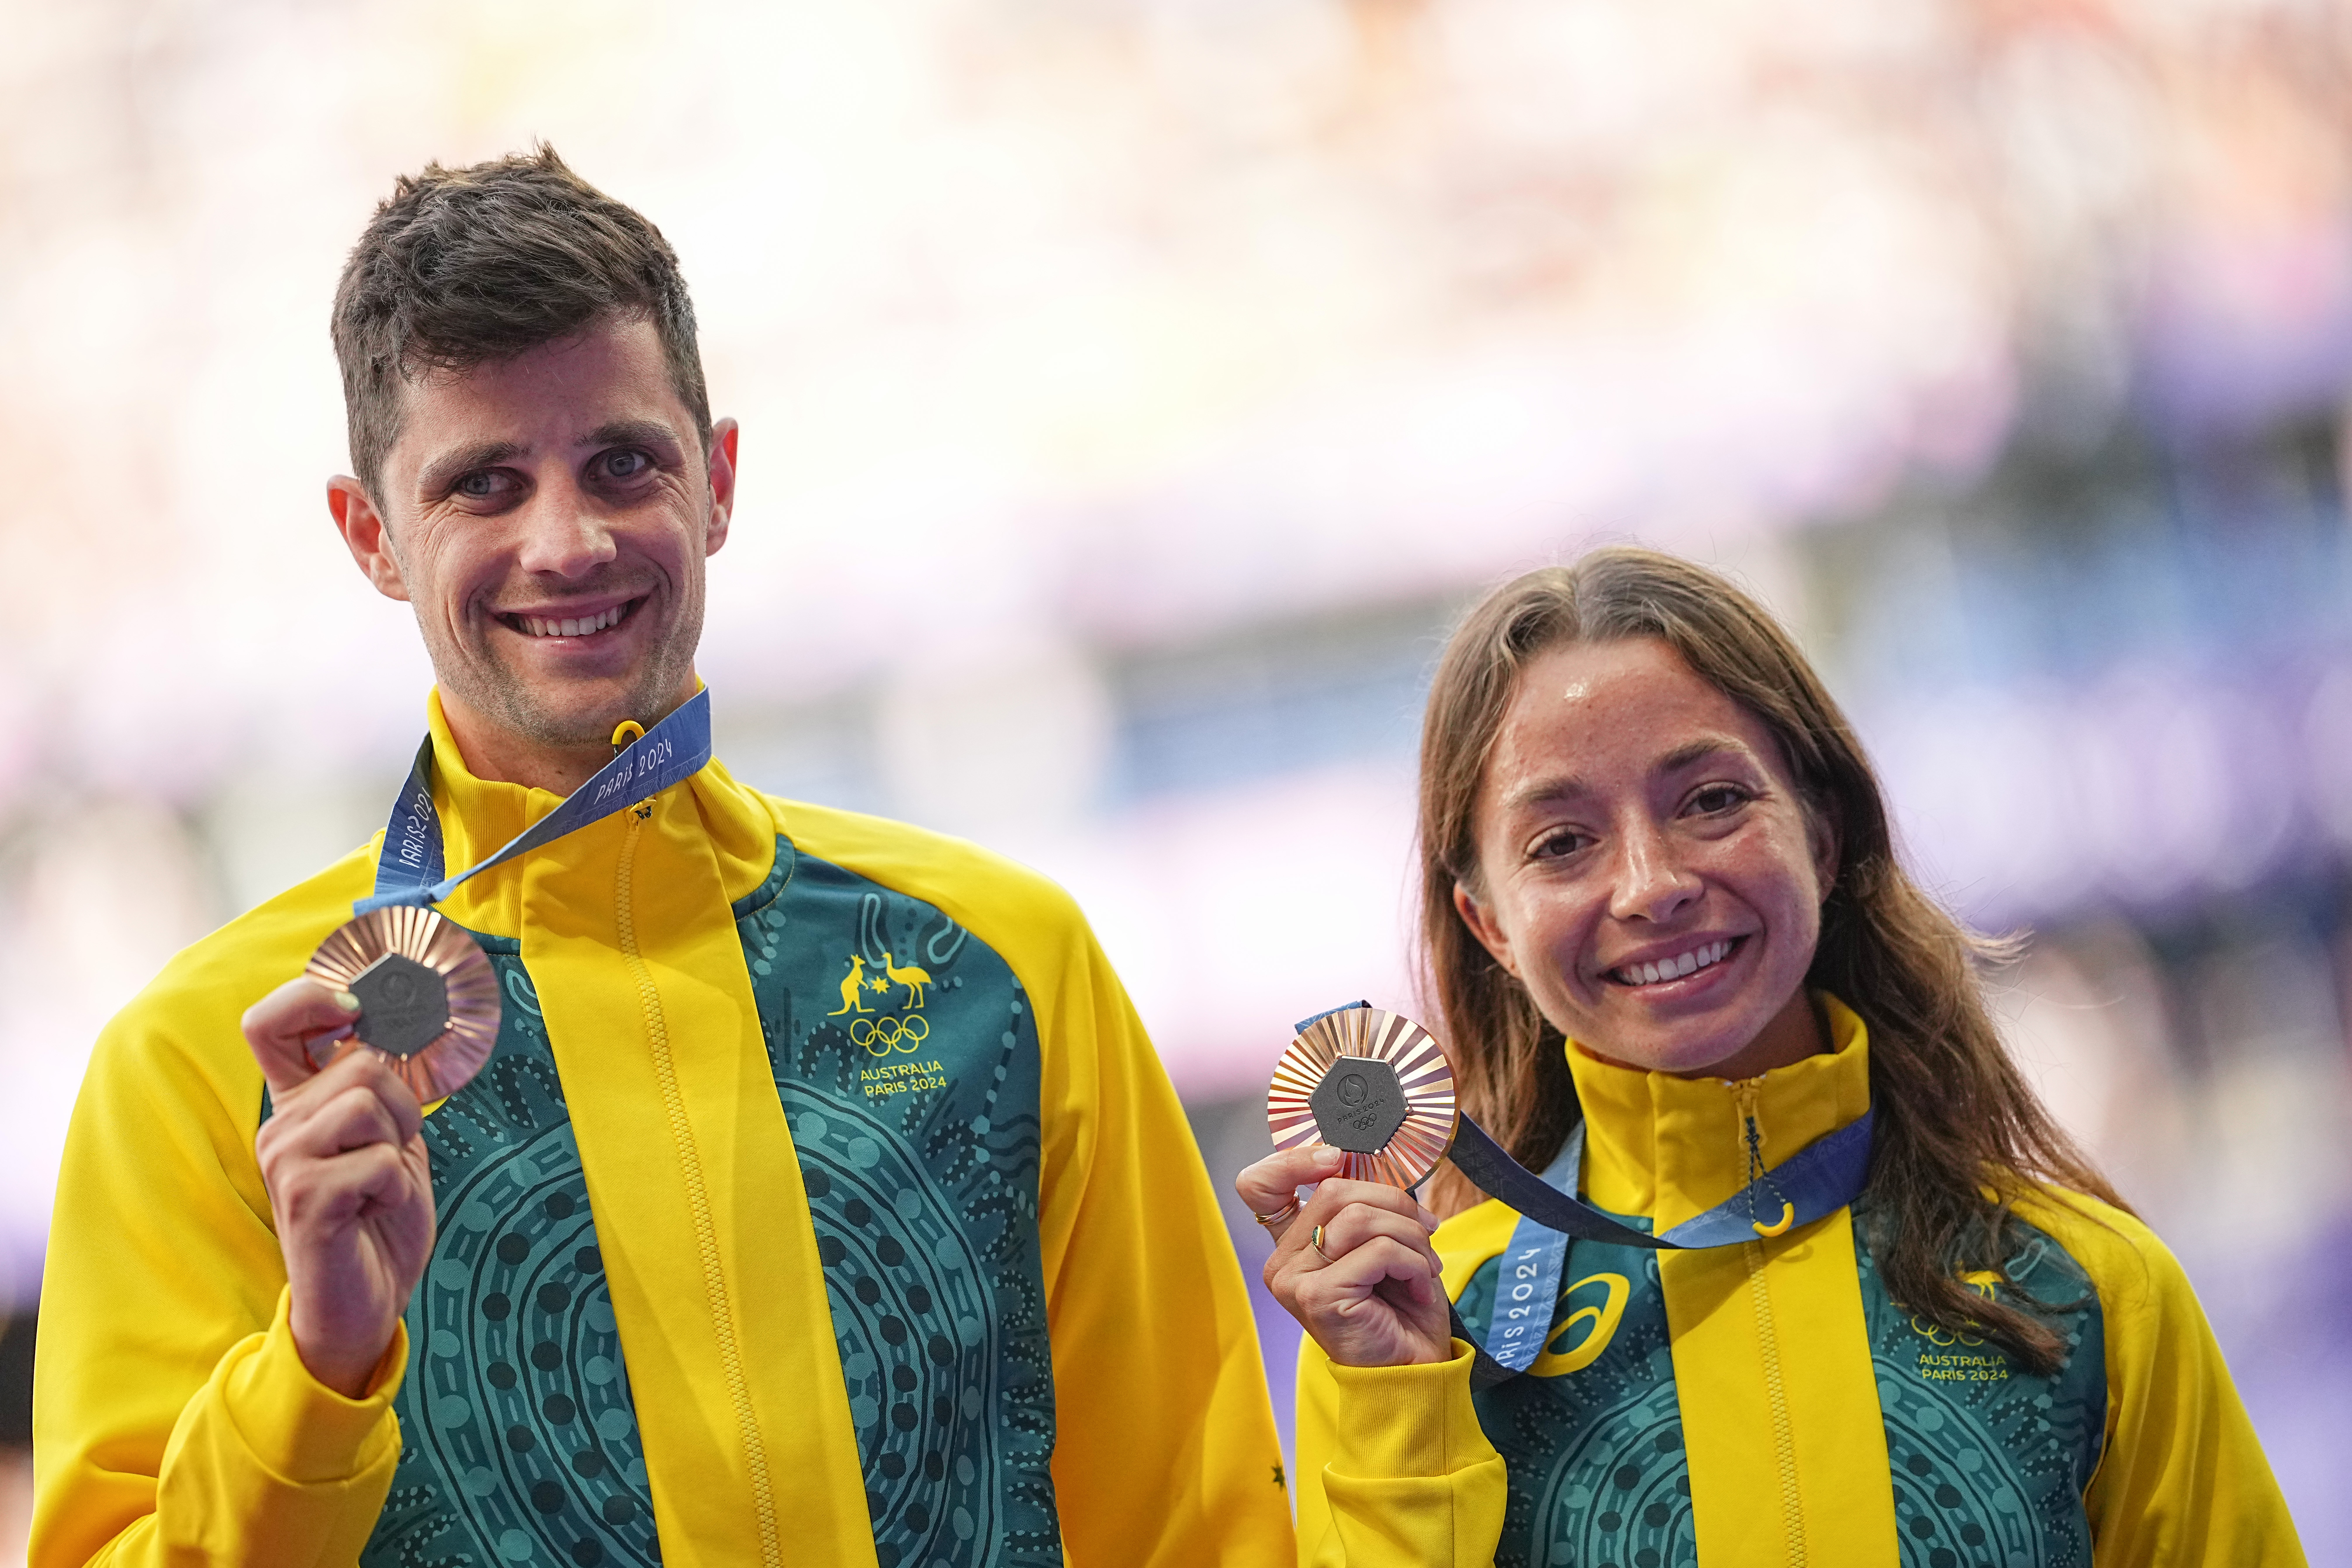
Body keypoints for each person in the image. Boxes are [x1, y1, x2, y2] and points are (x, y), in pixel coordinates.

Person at [32, 146, 1289, 1568]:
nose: (564, 542)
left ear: (720, 482)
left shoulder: (1005, 969)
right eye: (485, 485)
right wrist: (314, 1376)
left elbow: (1200, 1523)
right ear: (372, 535)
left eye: (621, 462)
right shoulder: (215, 1060)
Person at [1238, 548, 2306, 1566]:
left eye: (1710, 800)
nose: (1651, 884)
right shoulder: (1415, 1333)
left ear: (1823, 833)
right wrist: (1402, 1410)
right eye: (1561, 842)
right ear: (1491, 930)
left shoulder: (2086, 1286)